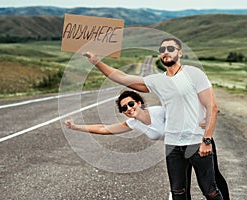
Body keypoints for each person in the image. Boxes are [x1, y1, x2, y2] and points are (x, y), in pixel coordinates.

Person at [82, 38, 228, 200]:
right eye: (162, 49)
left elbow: (212, 107)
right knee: (178, 193)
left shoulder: (194, 73)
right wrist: (96, 62)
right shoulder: (157, 80)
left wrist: (206, 139)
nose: (165, 51)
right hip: (173, 145)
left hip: (196, 140)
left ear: (179, 52)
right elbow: (122, 77)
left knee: (210, 191)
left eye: (170, 48)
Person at [65, 90, 229, 200]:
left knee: (211, 184)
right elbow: (104, 129)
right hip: (176, 149)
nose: (129, 109)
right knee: (179, 189)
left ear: (138, 102)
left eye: (131, 104)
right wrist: (75, 126)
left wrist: (207, 117)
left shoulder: (158, 111)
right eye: (124, 108)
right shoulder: (134, 123)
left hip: (195, 141)